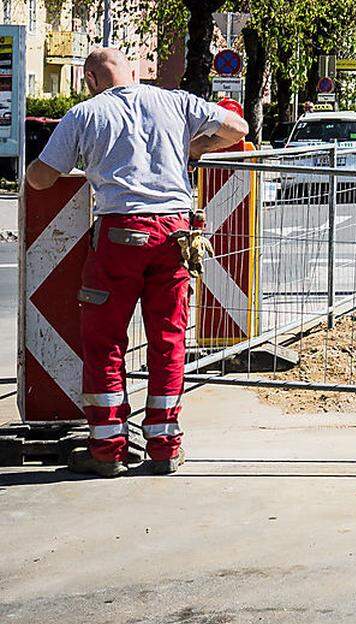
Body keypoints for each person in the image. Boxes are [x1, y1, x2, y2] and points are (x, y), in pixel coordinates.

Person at [25, 48, 249, 478]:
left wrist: (35, 167)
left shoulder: (84, 114)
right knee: (168, 340)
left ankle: (107, 450)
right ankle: (165, 447)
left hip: (119, 235)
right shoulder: (175, 100)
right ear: (133, 72)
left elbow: (43, 177)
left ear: (90, 78)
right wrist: (192, 148)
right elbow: (236, 127)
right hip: (176, 236)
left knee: (106, 341)